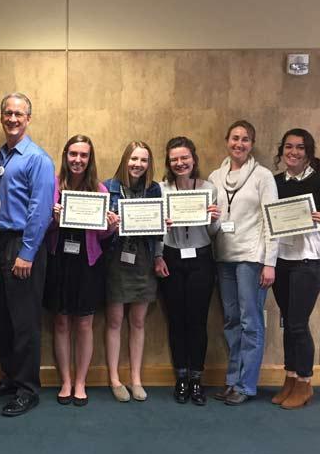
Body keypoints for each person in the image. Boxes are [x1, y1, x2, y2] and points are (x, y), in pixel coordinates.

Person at [0, 92, 54, 417]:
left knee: (24, 321)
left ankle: (27, 388)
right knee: (3, 318)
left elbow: (40, 212)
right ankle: (10, 377)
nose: (12, 119)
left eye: (19, 114)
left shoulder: (38, 159)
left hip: (22, 246)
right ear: (2, 117)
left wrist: (26, 253)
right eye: (7, 113)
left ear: (28, 118)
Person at [208, 120, 278, 405]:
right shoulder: (215, 176)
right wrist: (211, 220)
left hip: (252, 259)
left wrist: (269, 262)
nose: (239, 144)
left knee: (251, 322)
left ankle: (246, 385)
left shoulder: (263, 176)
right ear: (227, 141)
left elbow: (272, 220)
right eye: (235, 138)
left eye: (245, 139)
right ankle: (232, 381)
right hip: (224, 257)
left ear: (252, 144)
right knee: (231, 321)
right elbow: (212, 226)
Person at [45, 135, 117, 406]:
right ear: (65, 155)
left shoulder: (99, 189)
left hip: (87, 263)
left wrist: (111, 226)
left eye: (83, 155)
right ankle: (65, 380)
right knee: (61, 321)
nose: (77, 160)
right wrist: (52, 219)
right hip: (58, 259)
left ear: (90, 159)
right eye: (73, 154)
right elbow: (43, 228)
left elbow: (101, 237)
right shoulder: (52, 184)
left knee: (85, 323)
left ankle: (81, 382)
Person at [154, 137, 220, 405]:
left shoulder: (209, 188)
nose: (180, 163)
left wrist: (215, 219)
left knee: (198, 321)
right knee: (176, 320)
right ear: (168, 163)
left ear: (194, 159)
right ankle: (181, 377)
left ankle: (196, 379)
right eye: (174, 159)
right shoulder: (160, 189)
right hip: (170, 257)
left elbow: (214, 233)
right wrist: (157, 256)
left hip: (201, 258)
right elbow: (155, 231)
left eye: (184, 158)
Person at [103, 141, 161, 403]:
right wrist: (109, 224)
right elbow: (99, 232)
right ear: (125, 159)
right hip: (116, 260)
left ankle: (136, 378)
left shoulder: (154, 189)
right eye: (134, 159)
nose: (138, 164)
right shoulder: (108, 187)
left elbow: (159, 233)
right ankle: (114, 378)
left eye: (144, 160)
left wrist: (162, 227)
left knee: (138, 321)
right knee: (114, 321)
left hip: (144, 260)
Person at [270, 128, 320, 409]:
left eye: (300, 148)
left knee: (299, 324)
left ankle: (304, 382)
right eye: (289, 146)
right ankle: (289, 377)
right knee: (288, 322)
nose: (294, 152)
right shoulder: (276, 182)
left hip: (309, 260)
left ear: (308, 151)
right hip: (282, 260)